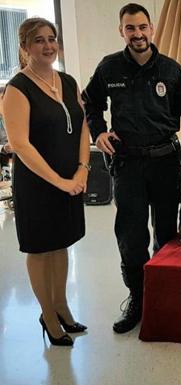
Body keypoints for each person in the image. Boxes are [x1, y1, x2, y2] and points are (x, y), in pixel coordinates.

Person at [82, 3, 181, 334]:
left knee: (167, 233)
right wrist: (98, 131)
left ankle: (165, 297)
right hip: (127, 165)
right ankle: (137, 299)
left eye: (142, 27)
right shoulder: (109, 68)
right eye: (130, 28)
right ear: (121, 31)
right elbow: (91, 103)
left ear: (151, 29)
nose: (137, 34)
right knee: (131, 236)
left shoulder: (171, 70)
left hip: (167, 162)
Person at [2, 17, 91, 346]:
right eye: (39, 40)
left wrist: (83, 168)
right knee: (41, 250)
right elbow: (21, 144)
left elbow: (82, 126)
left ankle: (62, 307)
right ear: (25, 47)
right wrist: (59, 181)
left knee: (61, 245)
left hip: (70, 178)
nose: (48, 45)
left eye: (51, 38)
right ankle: (48, 316)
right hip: (38, 183)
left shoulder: (67, 81)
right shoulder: (17, 89)